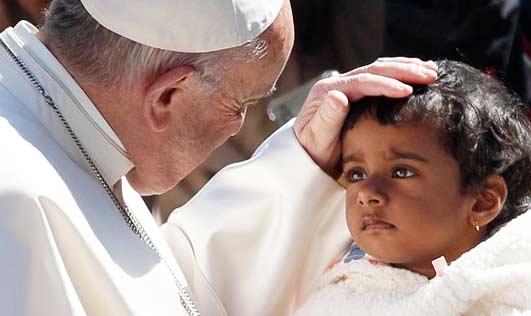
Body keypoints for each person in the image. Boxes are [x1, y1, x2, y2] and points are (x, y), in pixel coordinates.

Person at [0, 0, 439, 315]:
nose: (236, 128)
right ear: (168, 96)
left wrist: (303, 163)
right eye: (240, 104)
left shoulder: (63, 127)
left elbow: (168, 295)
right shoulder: (16, 204)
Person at [292, 60, 531, 315]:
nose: (366, 194)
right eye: (356, 174)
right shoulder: (345, 292)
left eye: (401, 171)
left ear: (483, 201)